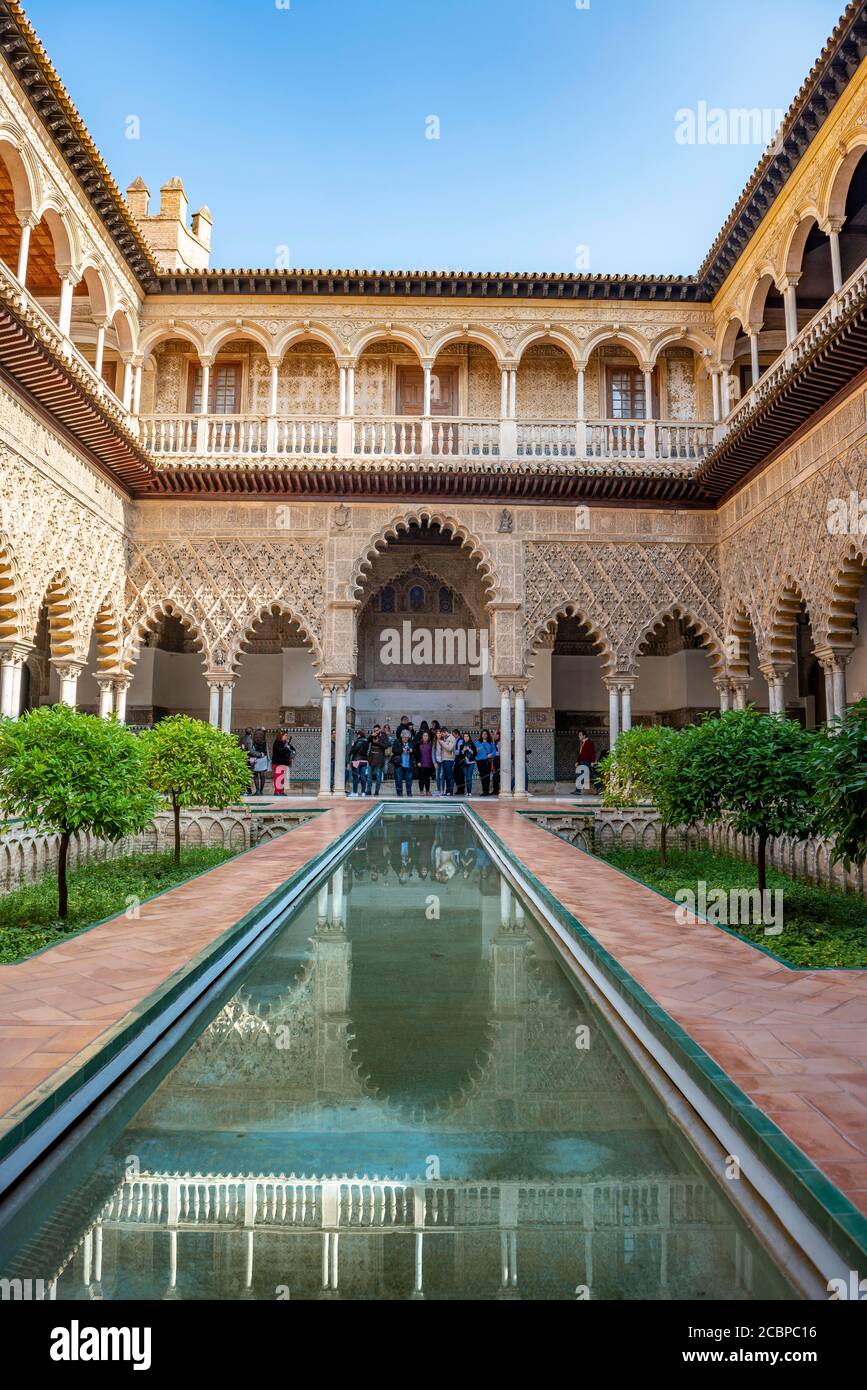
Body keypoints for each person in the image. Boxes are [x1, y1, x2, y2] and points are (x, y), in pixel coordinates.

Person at [271, 727, 296, 796]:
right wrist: (286, 749)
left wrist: (290, 749)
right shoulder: (277, 742)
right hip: (277, 763)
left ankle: (281, 791)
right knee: (278, 778)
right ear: (281, 736)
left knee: (282, 778)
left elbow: (292, 749)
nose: (286, 737)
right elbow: (280, 751)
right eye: (285, 735)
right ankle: (277, 791)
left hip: (283, 763)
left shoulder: (285, 743)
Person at [367, 724, 389, 796]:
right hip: (371, 758)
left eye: (377, 730)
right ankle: (369, 791)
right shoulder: (372, 735)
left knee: (378, 776)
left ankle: (377, 791)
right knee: (369, 776)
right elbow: (367, 741)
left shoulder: (384, 736)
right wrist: (371, 736)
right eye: (374, 730)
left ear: (379, 730)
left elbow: (386, 745)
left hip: (379, 759)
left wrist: (378, 743)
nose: (375, 732)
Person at [392, 727, 414, 796]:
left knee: (409, 780)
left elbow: (415, 750)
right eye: (404, 737)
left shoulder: (410, 742)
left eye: (407, 738)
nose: (406, 739)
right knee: (398, 779)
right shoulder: (397, 741)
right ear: (402, 737)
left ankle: (409, 792)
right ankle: (399, 793)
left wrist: (411, 750)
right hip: (399, 763)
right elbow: (394, 750)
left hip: (408, 764)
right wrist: (402, 750)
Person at [574, 729, 597, 796]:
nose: (579, 736)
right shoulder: (583, 743)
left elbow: (592, 752)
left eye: (580, 735)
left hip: (587, 762)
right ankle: (599, 788)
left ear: (584, 736)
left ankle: (578, 790)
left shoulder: (588, 742)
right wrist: (578, 761)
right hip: (583, 762)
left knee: (582, 776)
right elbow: (580, 754)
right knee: (591, 776)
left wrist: (592, 761)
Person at [349, 728, 371, 796]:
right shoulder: (367, 741)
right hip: (364, 761)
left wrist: (353, 746)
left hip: (357, 761)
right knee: (363, 777)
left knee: (355, 777)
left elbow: (354, 751)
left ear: (359, 735)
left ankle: (355, 792)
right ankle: (363, 792)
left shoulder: (358, 741)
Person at [251, 727, 270, 796]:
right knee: (262, 775)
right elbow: (265, 732)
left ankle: (257, 791)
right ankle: (261, 791)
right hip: (263, 758)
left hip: (257, 758)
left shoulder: (254, 741)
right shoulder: (264, 740)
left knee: (256, 775)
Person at [476, 728, 496, 796]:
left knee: (487, 776)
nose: (484, 735)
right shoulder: (478, 743)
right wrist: (476, 751)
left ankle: (487, 791)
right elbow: (473, 751)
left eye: (485, 734)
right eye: (483, 734)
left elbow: (494, 751)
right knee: (482, 776)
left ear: (487, 735)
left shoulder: (490, 743)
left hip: (487, 761)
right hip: (480, 761)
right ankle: (484, 790)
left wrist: (490, 755)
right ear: (481, 735)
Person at [416, 727, 434, 795]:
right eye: (424, 735)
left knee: (427, 779)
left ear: (428, 737)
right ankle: (421, 791)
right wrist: (418, 762)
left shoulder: (431, 744)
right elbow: (417, 754)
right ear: (422, 737)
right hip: (421, 764)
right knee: (421, 778)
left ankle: (427, 791)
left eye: (426, 736)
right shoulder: (419, 744)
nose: (425, 737)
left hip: (429, 764)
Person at [438, 726, 456, 795]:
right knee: (446, 776)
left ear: (445, 732)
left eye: (442, 734)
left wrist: (442, 743)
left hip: (449, 759)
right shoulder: (445, 738)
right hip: (444, 759)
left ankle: (450, 791)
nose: (441, 735)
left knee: (449, 776)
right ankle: (447, 791)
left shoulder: (451, 738)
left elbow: (450, 748)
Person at [460, 730, 478, 797]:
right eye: (464, 736)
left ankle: (469, 792)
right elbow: (460, 755)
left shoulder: (473, 744)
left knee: (469, 777)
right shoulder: (461, 745)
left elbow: (475, 754)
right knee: (466, 777)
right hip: (464, 763)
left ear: (469, 737)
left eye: (467, 736)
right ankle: (467, 792)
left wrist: (470, 749)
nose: (466, 737)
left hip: (471, 762)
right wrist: (463, 750)